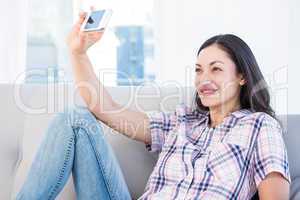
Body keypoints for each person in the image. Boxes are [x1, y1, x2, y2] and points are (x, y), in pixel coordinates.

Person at [16, 11, 290, 200]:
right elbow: (105, 109)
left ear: (242, 76)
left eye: (216, 69)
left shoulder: (260, 126)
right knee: (74, 118)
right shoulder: (182, 122)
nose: (204, 79)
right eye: (198, 70)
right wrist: (78, 52)